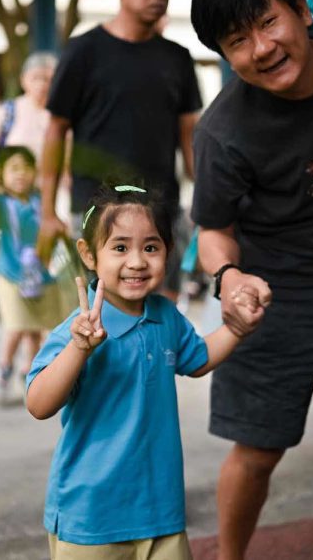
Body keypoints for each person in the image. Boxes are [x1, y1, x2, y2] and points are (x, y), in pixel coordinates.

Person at [188, 0, 313, 558]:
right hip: (275, 302)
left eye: (267, 23)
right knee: (257, 453)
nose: (261, 49)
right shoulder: (223, 131)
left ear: (301, 11)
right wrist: (230, 278)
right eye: (238, 41)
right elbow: (212, 230)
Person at [25, 184, 264, 559]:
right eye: (120, 248)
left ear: (168, 251)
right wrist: (79, 349)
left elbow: (197, 358)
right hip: (91, 518)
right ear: (88, 254)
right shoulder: (78, 330)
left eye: (151, 247)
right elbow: (39, 404)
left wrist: (237, 328)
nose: (137, 261)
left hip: (161, 511)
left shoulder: (165, 315)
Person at [38, 0, 203, 301]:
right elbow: (56, 130)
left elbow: (190, 138)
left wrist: (210, 206)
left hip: (161, 210)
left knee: (162, 316)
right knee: (100, 315)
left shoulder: (178, 58)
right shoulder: (82, 51)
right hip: (97, 210)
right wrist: (47, 211)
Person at [0, 146, 62, 404]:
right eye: (13, 169)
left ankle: (30, 372)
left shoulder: (40, 201)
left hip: (38, 275)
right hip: (10, 276)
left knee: (35, 327)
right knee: (16, 325)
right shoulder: (0, 203)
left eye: (26, 168)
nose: (21, 174)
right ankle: (3, 370)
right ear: (1, 174)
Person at [0, 51, 58, 182]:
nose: (41, 84)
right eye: (35, 78)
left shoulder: (62, 112)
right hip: (15, 189)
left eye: (48, 79)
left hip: (52, 187)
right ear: (23, 80)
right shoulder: (8, 110)